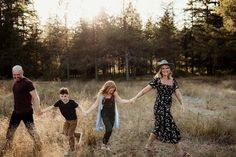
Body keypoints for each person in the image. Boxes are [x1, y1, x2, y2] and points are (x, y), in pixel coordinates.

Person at [131, 60, 191, 157]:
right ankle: (180, 153)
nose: (165, 70)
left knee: (158, 127)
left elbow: (178, 94)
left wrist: (182, 104)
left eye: (167, 68)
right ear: (160, 70)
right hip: (159, 108)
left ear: (169, 69)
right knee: (172, 127)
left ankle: (148, 145)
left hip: (167, 108)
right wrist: (135, 97)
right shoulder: (157, 80)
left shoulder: (173, 81)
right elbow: (144, 90)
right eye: (163, 68)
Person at [1, 65, 42, 156]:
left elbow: (36, 96)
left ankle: (39, 148)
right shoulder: (15, 82)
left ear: (22, 72)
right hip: (16, 112)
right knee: (10, 131)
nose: (16, 77)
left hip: (26, 112)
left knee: (32, 131)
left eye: (18, 75)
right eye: (14, 75)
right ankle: (7, 149)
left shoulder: (28, 83)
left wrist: (38, 108)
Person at [85, 80, 133, 151]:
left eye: (113, 90)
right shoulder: (101, 95)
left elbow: (120, 100)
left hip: (112, 114)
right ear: (107, 88)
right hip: (105, 114)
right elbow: (95, 104)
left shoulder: (114, 94)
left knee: (110, 130)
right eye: (110, 90)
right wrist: (87, 111)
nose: (111, 91)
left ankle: (105, 143)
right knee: (109, 129)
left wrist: (129, 101)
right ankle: (103, 145)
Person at [42, 87, 85, 155]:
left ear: (68, 95)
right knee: (65, 133)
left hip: (73, 120)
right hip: (67, 121)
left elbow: (79, 106)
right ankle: (79, 135)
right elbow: (51, 107)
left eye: (65, 96)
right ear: (59, 96)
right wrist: (42, 111)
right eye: (62, 96)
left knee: (70, 135)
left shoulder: (71, 102)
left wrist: (83, 111)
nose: (63, 98)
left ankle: (72, 149)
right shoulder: (59, 102)